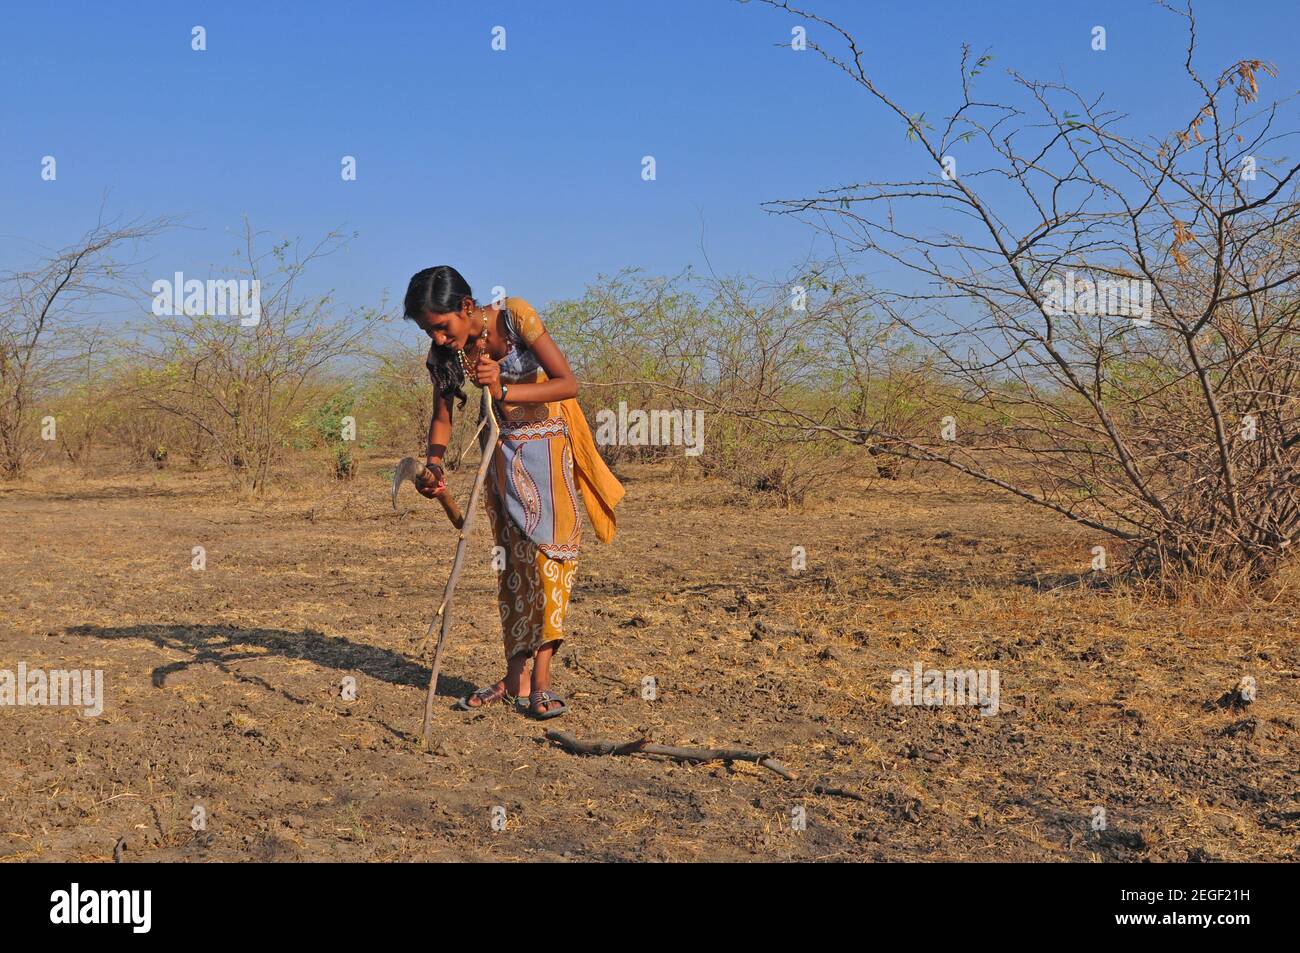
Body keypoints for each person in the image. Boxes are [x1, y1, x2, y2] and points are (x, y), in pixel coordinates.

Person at [402, 265, 623, 719]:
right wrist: (434, 465)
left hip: (547, 449)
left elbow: (568, 382)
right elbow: (442, 416)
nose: (439, 338)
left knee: (550, 560)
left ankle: (541, 680)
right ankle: (514, 676)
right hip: (499, 456)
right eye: (429, 330)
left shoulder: (515, 317)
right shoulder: (445, 354)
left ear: (467, 307)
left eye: (442, 326)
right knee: (514, 567)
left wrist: (503, 386)